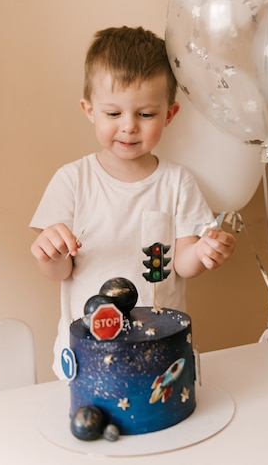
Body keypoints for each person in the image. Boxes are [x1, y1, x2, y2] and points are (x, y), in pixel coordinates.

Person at [30, 25, 236, 377]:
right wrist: (50, 251)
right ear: (89, 109)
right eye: (113, 114)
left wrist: (203, 252)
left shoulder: (177, 182)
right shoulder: (72, 180)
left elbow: (183, 264)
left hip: (158, 352)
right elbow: (58, 272)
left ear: (169, 115)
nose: (128, 127)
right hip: (87, 358)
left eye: (145, 114)